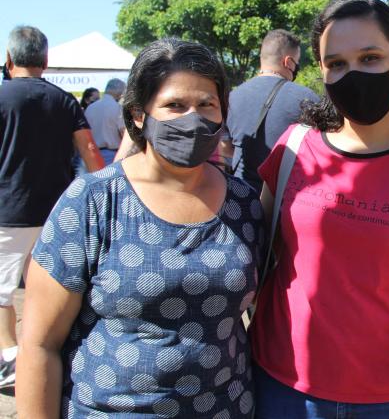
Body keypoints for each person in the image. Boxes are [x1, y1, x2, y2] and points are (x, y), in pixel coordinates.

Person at [16, 38, 264, 417]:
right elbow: (39, 344)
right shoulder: (94, 201)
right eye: (175, 106)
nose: (192, 119)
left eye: (206, 105)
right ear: (138, 114)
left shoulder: (244, 203)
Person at [250, 0, 389, 418]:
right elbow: (255, 259)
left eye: (370, 57)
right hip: (282, 388)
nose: (354, 75)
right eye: (337, 64)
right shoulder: (294, 147)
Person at [0, 26, 104, 389]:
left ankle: (12, 356)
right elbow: (90, 151)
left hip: (6, 209)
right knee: (47, 284)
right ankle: (40, 346)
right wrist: (109, 190)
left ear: (9, 59)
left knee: (1, 289)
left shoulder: (1, 96)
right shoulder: (64, 100)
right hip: (57, 210)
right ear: (45, 60)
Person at [225, 29, 319, 190]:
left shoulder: (231, 97)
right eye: (297, 63)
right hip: (283, 198)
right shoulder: (307, 98)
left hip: (240, 193)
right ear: (288, 62)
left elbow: (225, 148)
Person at [85, 78, 127, 165]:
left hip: (91, 154)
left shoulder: (90, 108)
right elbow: (123, 132)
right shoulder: (117, 108)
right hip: (111, 154)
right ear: (120, 93)